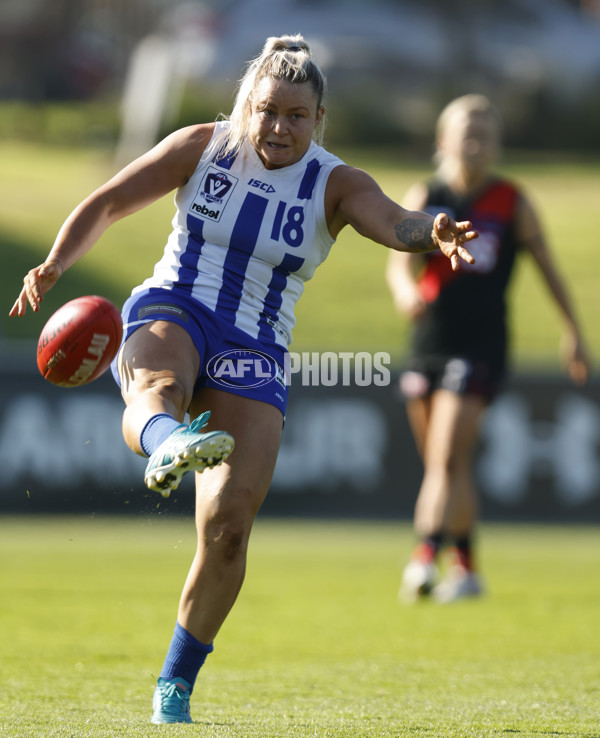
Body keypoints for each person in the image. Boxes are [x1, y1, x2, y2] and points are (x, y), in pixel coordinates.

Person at [10, 36, 478, 724]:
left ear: (320, 119)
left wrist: (429, 230)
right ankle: (167, 439)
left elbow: (392, 220)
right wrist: (54, 263)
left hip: (256, 344)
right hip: (174, 301)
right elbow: (108, 202)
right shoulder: (205, 146)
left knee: (229, 527)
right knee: (157, 388)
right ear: (245, 107)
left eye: (296, 115)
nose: (279, 127)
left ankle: (175, 684)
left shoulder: (335, 183)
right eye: (267, 111)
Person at [386, 94, 590, 605]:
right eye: (466, 131)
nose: (476, 141)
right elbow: (398, 260)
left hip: (482, 344)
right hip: (430, 341)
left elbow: (549, 270)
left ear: (497, 144)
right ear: (443, 140)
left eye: (486, 132)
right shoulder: (427, 193)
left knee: (445, 455)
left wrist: (574, 332)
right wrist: (404, 291)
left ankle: (424, 558)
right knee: (446, 464)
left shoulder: (511, 201)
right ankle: (469, 569)